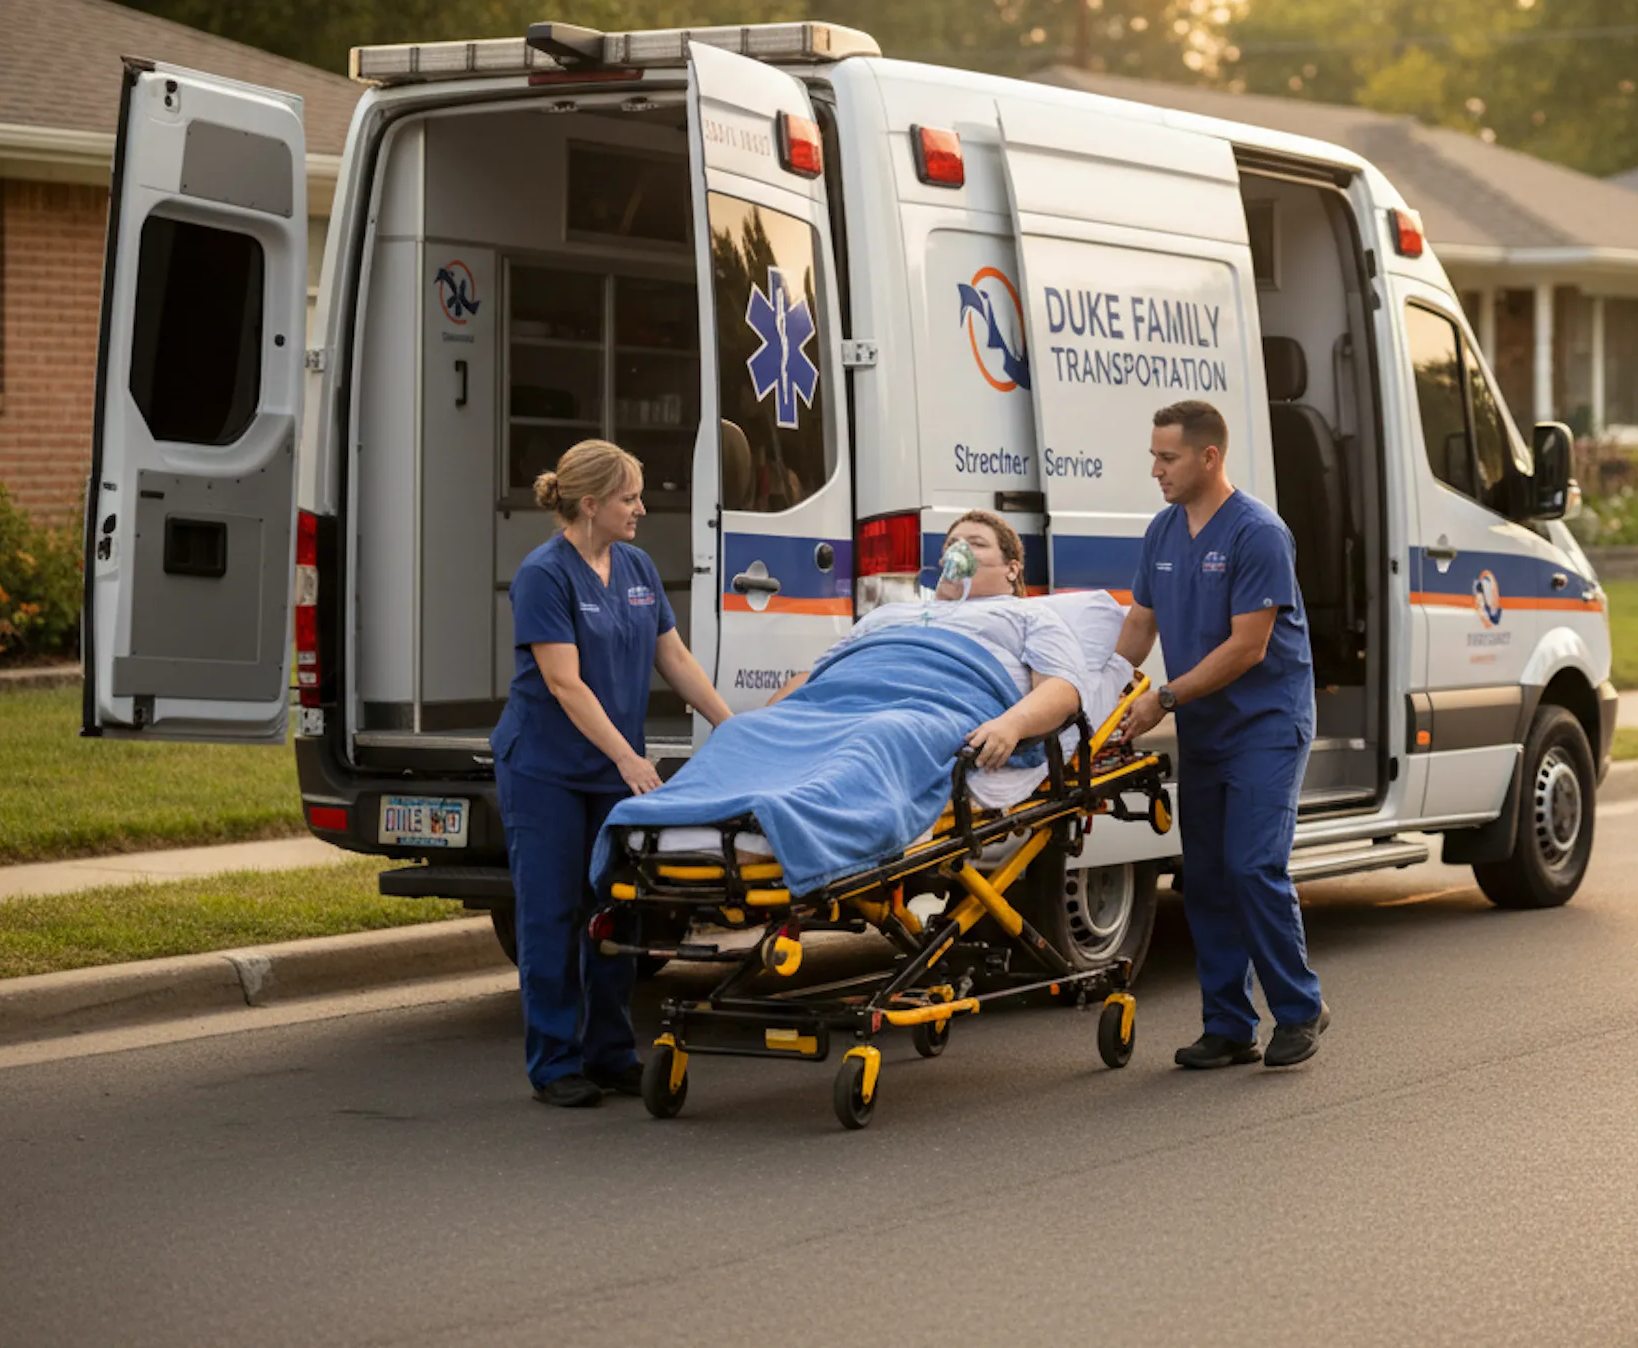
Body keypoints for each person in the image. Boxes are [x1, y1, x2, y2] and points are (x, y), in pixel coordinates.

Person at [489, 439, 732, 1108]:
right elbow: (564, 684)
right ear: (589, 504)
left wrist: (730, 723)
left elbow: (675, 660)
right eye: (629, 498)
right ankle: (555, 1063)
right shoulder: (545, 575)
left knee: (617, 914)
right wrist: (628, 756)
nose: (641, 509)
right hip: (547, 771)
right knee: (553, 912)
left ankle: (610, 1053)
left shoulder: (636, 566)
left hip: (612, 776)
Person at [1116, 400, 1329, 1069]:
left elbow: (1248, 648)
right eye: (1154, 455)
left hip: (1266, 724)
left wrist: (1165, 698)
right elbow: (1138, 631)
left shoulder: (1257, 533)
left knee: (1251, 866)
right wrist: (1087, 696)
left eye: (1168, 457)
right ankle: (1229, 1026)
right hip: (1205, 728)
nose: (1156, 469)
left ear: (1209, 457)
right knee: (1205, 876)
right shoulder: (1162, 533)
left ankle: (1299, 1010)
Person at [768, 511, 1086, 770]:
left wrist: (1012, 726)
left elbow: (1061, 689)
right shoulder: (888, 614)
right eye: (952, 543)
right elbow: (815, 677)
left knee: (880, 735)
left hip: (916, 714)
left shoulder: (1027, 615)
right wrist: (769, 719)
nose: (958, 550)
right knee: (743, 733)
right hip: (842, 705)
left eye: (975, 543)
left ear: (1012, 569)